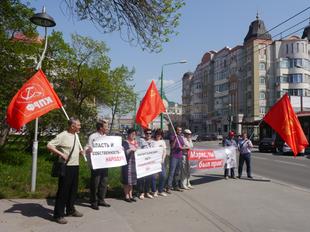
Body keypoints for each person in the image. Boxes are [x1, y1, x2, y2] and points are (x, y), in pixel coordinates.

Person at [47, 117, 84, 224]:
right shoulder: (63, 135)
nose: (80, 126)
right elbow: (49, 145)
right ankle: (58, 215)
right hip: (66, 167)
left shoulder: (76, 135)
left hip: (75, 166)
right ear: (72, 126)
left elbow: (75, 150)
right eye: (78, 125)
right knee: (63, 191)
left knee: (73, 190)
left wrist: (81, 153)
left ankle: (70, 210)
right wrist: (61, 154)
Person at [85, 119, 111, 210]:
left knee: (104, 182)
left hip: (104, 163)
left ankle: (101, 200)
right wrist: (88, 150)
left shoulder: (106, 137)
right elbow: (87, 147)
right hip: (96, 164)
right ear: (101, 128)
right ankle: (93, 201)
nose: (107, 128)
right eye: (106, 126)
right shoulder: (93, 136)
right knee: (95, 183)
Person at [121, 128, 138, 203]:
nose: (133, 135)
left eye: (134, 134)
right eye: (132, 134)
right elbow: (124, 152)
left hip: (134, 163)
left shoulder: (136, 142)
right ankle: (126, 196)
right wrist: (131, 150)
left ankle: (131, 195)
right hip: (127, 163)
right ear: (128, 134)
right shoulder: (125, 142)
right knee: (127, 180)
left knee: (132, 180)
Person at [137, 128, 155, 199]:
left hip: (150, 162)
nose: (148, 134)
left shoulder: (153, 142)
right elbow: (138, 150)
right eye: (147, 133)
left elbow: (155, 151)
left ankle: (147, 192)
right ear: (144, 134)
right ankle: (141, 193)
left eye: (150, 133)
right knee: (142, 178)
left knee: (149, 178)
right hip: (143, 162)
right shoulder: (141, 141)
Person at [167, 126, 185, 193]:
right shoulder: (172, 136)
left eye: (180, 130)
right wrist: (175, 139)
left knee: (177, 172)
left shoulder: (181, 137)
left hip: (180, 156)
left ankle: (176, 186)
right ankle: (168, 187)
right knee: (172, 172)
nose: (179, 131)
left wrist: (184, 148)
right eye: (178, 130)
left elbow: (182, 145)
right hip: (174, 156)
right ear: (175, 130)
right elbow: (172, 146)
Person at [152, 129, 168, 196]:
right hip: (154, 162)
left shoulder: (163, 142)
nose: (159, 136)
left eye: (160, 134)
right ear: (155, 134)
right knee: (154, 177)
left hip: (161, 161)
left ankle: (160, 190)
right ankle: (154, 191)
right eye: (157, 134)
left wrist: (163, 159)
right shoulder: (152, 142)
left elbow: (164, 151)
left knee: (163, 176)